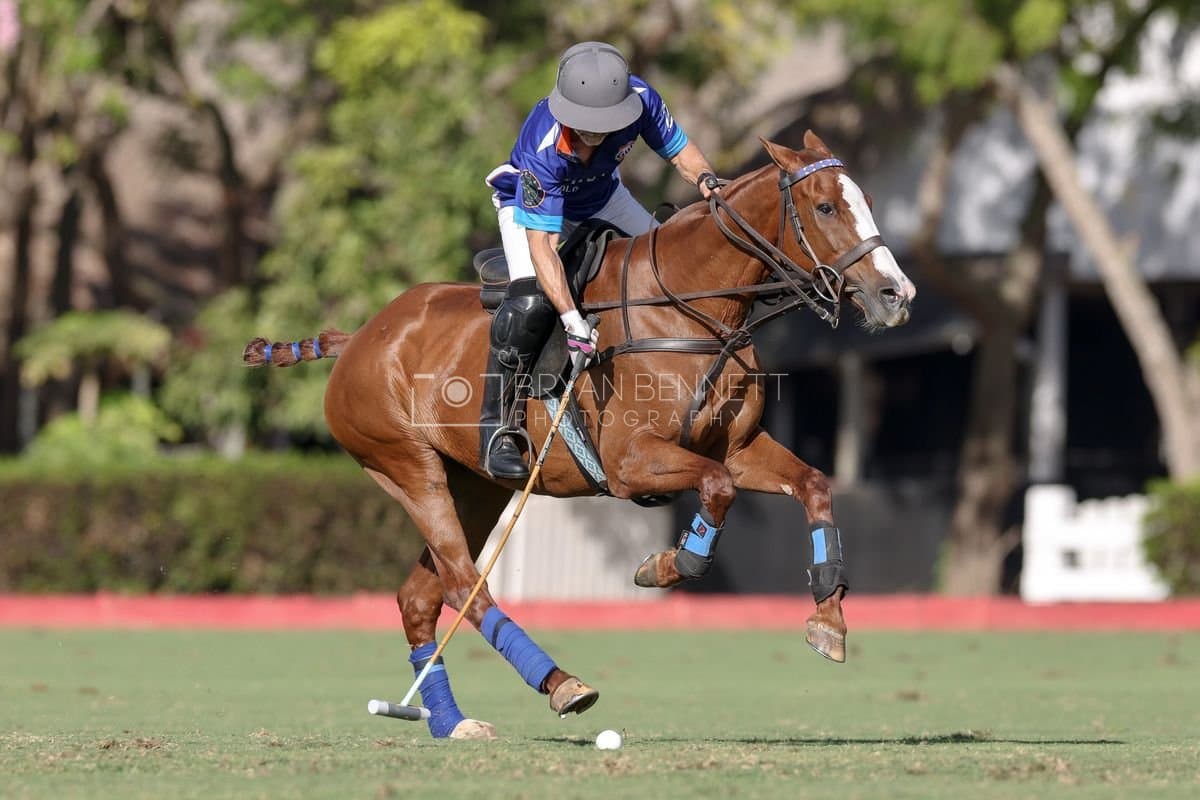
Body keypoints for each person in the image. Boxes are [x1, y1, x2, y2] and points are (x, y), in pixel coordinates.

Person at [479, 41, 721, 480]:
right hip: (527, 211)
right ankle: (497, 428)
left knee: (671, 269)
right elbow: (543, 246)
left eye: (604, 125)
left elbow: (680, 152)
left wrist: (709, 183)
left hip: (605, 197)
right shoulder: (543, 146)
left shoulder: (641, 99)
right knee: (531, 304)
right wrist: (572, 320)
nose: (593, 134)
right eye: (585, 125)